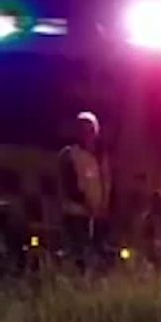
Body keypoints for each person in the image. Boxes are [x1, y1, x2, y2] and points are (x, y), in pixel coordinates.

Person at [58, 111, 111, 269]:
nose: (87, 135)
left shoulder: (101, 157)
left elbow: (106, 181)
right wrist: (85, 202)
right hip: (77, 213)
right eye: (83, 130)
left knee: (97, 251)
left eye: (90, 130)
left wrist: (104, 203)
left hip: (98, 214)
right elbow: (69, 184)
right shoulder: (69, 154)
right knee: (78, 253)